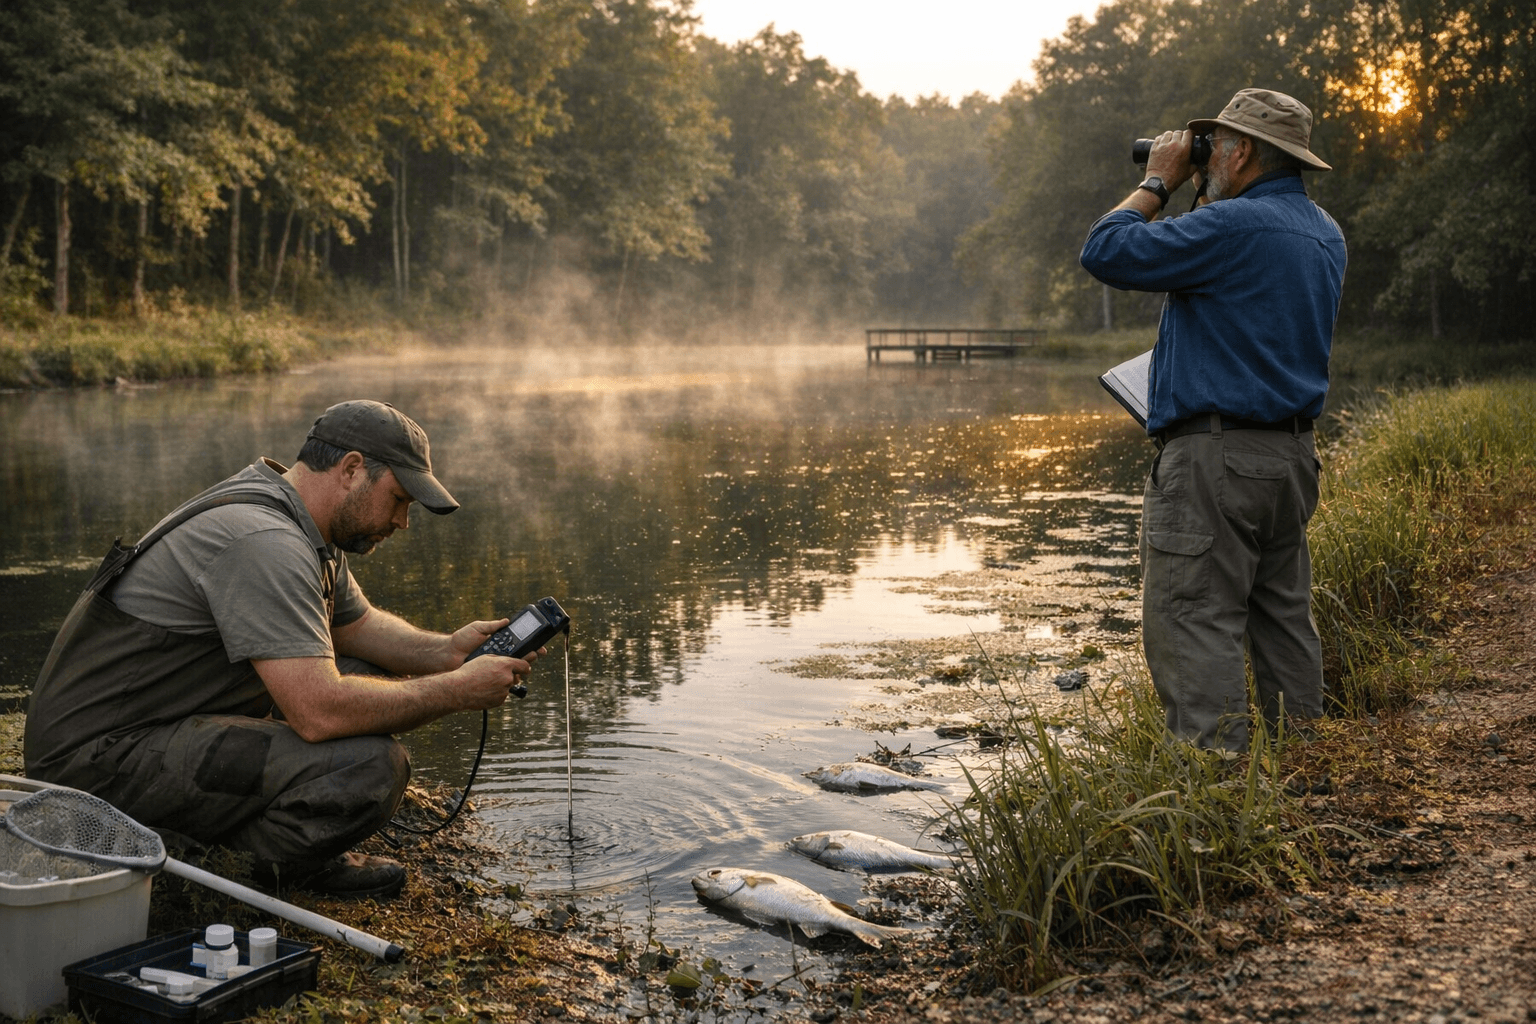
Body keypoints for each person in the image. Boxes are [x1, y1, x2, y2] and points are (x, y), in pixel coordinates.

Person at [24, 400, 537, 899]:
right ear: (352, 469)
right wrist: (456, 691)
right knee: (369, 767)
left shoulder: (298, 514)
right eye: (400, 499)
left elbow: (353, 628)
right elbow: (318, 713)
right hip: (92, 769)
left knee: (361, 669)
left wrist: (448, 652)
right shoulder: (265, 541)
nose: (403, 521)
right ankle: (222, 869)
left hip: (145, 726)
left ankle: (219, 843)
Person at [1079, 88, 1348, 751]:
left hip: (1215, 465)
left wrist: (1156, 180)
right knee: (1282, 619)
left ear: (1243, 150)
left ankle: (1214, 800)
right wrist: (1209, 189)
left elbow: (1106, 250)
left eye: (1213, 147)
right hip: (1290, 461)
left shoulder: (1228, 231)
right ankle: (1304, 770)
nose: (1203, 157)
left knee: (1194, 620)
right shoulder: (1323, 232)